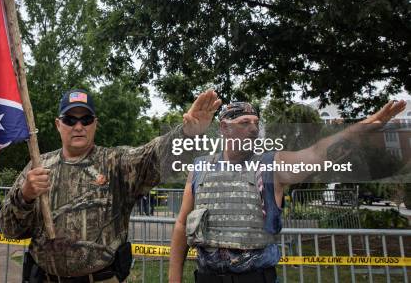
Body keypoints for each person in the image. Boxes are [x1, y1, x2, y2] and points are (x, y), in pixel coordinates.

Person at [169, 99, 407, 283]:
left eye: (256, 123)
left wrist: (365, 127)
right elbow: (182, 225)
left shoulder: (272, 165)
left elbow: (317, 153)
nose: (253, 129)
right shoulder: (200, 168)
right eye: (244, 123)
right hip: (206, 277)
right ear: (224, 128)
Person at [0, 88, 221, 283]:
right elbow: (10, 230)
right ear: (59, 124)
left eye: (86, 119)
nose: (78, 126)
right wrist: (25, 195)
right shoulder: (37, 167)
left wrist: (185, 134)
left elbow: (153, 155)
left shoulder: (116, 164)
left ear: (95, 123)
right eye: (70, 119)